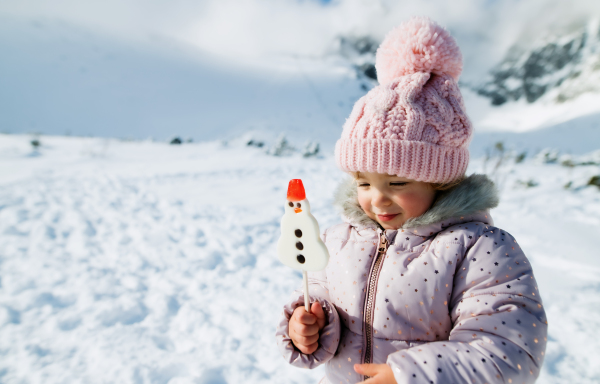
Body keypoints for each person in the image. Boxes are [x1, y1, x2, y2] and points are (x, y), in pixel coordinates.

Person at [275, 17, 547, 384]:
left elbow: (509, 352)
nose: (376, 200)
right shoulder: (341, 240)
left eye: (397, 181)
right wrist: (311, 327)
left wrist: (409, 375)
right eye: (363, 182)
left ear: (439, 178)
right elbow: (324, 295)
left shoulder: (478, 250)